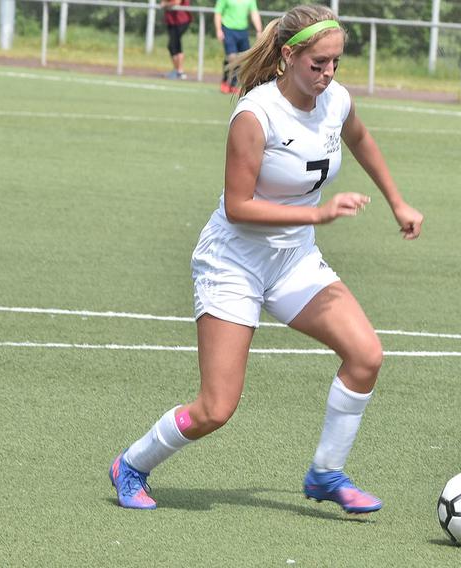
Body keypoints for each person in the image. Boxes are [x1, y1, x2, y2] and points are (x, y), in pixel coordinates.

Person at [109, 4, 424, 513]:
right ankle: (132, 464)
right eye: (317, 64)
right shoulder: (255, 114)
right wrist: (317, 217)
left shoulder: (335, 99)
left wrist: (397, 201)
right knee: (216, 408)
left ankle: (325, 473)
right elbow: (239, 207)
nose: (327, 75)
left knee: (365, 356)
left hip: (293, 260)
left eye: (335, 64)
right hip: (233, 262)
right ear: (287, 56)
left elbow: (360, 138)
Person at [215, 0, 263, 94]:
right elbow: (218, 12)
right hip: (228, 29)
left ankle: (234, 84)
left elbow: (254, 13)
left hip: (242, 31)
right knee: (232, 57)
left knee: (243, 59)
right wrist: (218, 29)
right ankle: (226, 80)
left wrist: (259, 30)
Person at [162, 0, 192, 80]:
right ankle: (177, 71)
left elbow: (176, 2)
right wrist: (166, 4)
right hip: (171, 20)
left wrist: (166, 4)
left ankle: (179, 71)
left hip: (181, 20)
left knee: (174, 45)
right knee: (173, 46)